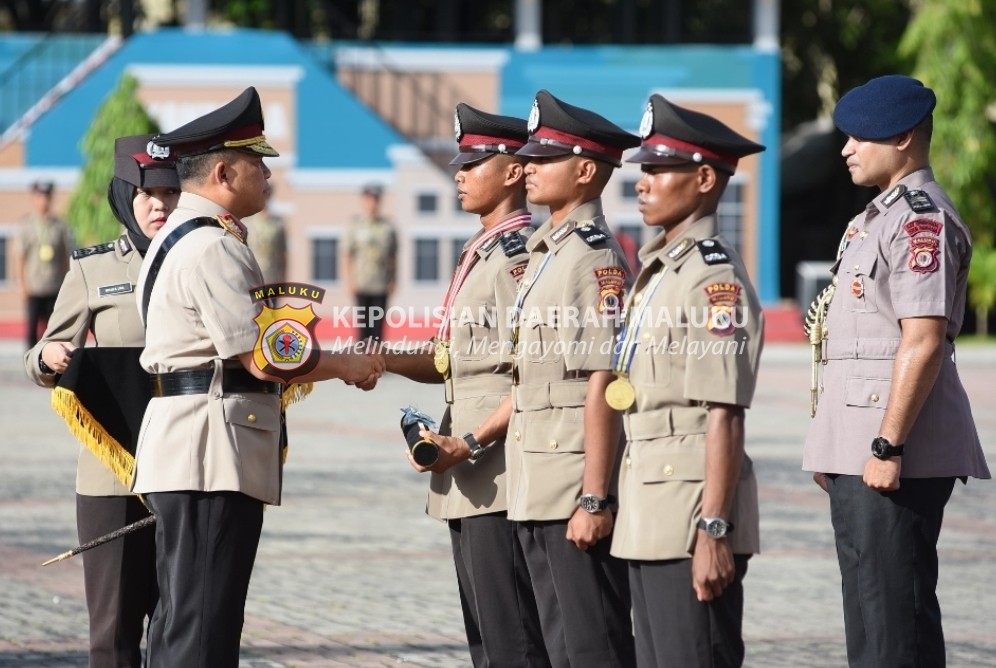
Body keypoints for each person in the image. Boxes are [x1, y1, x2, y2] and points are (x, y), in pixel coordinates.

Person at [132, 86, 384, 668]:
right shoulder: (213, 247)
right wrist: (346, 364)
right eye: (259, 165)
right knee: (202, 625)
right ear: (223, 172)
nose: (269, 178)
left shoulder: (176, 237)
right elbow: (263, 358)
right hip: (209, 450)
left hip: (190, 442)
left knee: (183, 616)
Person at [802, 75, 990, 667]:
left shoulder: (919, 220)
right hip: (861, 448)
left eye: (862, 136)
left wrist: (886, 445)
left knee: (894, 620)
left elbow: (924, 341)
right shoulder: (871, 222)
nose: (846, 148)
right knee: (869, 613)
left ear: (904, 137)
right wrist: (835, 444)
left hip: (893, 451)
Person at [378, 103, 550, 667]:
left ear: (515, 171)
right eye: (461, 160)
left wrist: (471, 442)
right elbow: (453, 359)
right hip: (466, 468)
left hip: (497, 470)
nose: (460, 172)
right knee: (486, 639)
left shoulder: (518, 257)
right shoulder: (482, 251)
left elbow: (533, 378)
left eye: (475, 161)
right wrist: (380, 359)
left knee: (513, 641)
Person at [609, 95, 765, 668]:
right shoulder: (659, 274)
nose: (642, 183)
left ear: (703, 179)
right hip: (650, 509)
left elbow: (724, 413)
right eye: (642, 170)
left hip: (692, 516)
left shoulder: (710, 278)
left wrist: (715, 530)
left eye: (658, 169)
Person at [23, 134, 178, 668]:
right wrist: (49, 360)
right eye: (145, 192)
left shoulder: (202, 260)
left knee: (178, 625)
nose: (159, 203)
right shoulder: (94, 268)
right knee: (112, 635)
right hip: (112, 473)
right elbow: (41, 350)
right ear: (122, 195)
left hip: (186, 469)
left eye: (169, 190)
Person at [505, 89, 639, 667]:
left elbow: (603, 379)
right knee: (559, 643)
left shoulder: (592, 257)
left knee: (590, 646)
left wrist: (595, 494)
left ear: (585, 170)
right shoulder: (548, 252)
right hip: (537, 477)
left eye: (544, 159)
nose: (527, 169)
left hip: (569, 485)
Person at [14, 180, 74, 349]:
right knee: (32, 329)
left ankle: (47, 363)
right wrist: (21, 284)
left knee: (52, 328)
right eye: (40, 196)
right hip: (33, 287)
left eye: (47, 196)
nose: (43, 200)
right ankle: (30, 361)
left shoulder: (60, 225)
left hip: (54, 286)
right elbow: (19, 256)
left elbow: (65, 256)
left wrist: (66, 283)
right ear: (34, 198)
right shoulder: (26, 225)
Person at [343, 182, 397, 341]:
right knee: (363, 328)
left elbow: (393, 256)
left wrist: (393, 280)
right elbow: (347, 255)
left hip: (380, 284)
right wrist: (349, 280)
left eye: (375, 199)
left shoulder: (388, 227)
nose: (372, 203)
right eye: (368, 199)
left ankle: (377, 363)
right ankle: (361, 362)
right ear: (363, 201)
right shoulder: (355, 225)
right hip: (361, 283)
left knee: (378, 329)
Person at [244, 188, 287, 284]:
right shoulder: (247, 221)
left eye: (267, 193)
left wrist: (283, 280)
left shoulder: (278, 223)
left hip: (272, 278)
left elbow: (283, 254)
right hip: (251, 278)